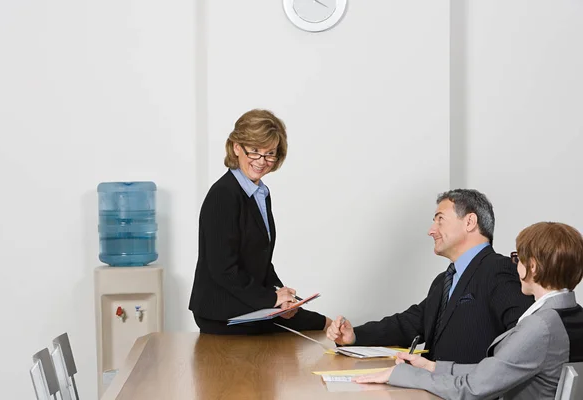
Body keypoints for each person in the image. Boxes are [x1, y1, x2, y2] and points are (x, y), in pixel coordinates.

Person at [354, 222, 583, 400]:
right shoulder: (570, 315)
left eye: (518, 259)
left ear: (531, 267)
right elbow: (497, 370)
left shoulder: (540, 326)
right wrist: (433, 367)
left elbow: (473, 389)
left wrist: (402, 375)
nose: (516, 266)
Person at [327, 189, 534, 363]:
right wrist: (355, 336)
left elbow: (525, 343)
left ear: (470, 221)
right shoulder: (444, 281)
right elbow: (407, 324)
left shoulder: (500, 270)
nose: (431, 230)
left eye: (440, 220)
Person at [188, 109, 331, 334]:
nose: (262, 161)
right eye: (254, 151)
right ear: (237, 147)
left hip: (250, 302)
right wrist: (271, 298)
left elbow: (259, 261)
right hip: (223, 312)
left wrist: (282, 296)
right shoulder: (223, 195)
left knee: (323, 324)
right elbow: (223, 269)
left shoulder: (259, 193)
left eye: (270, 153)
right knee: (316, 329)